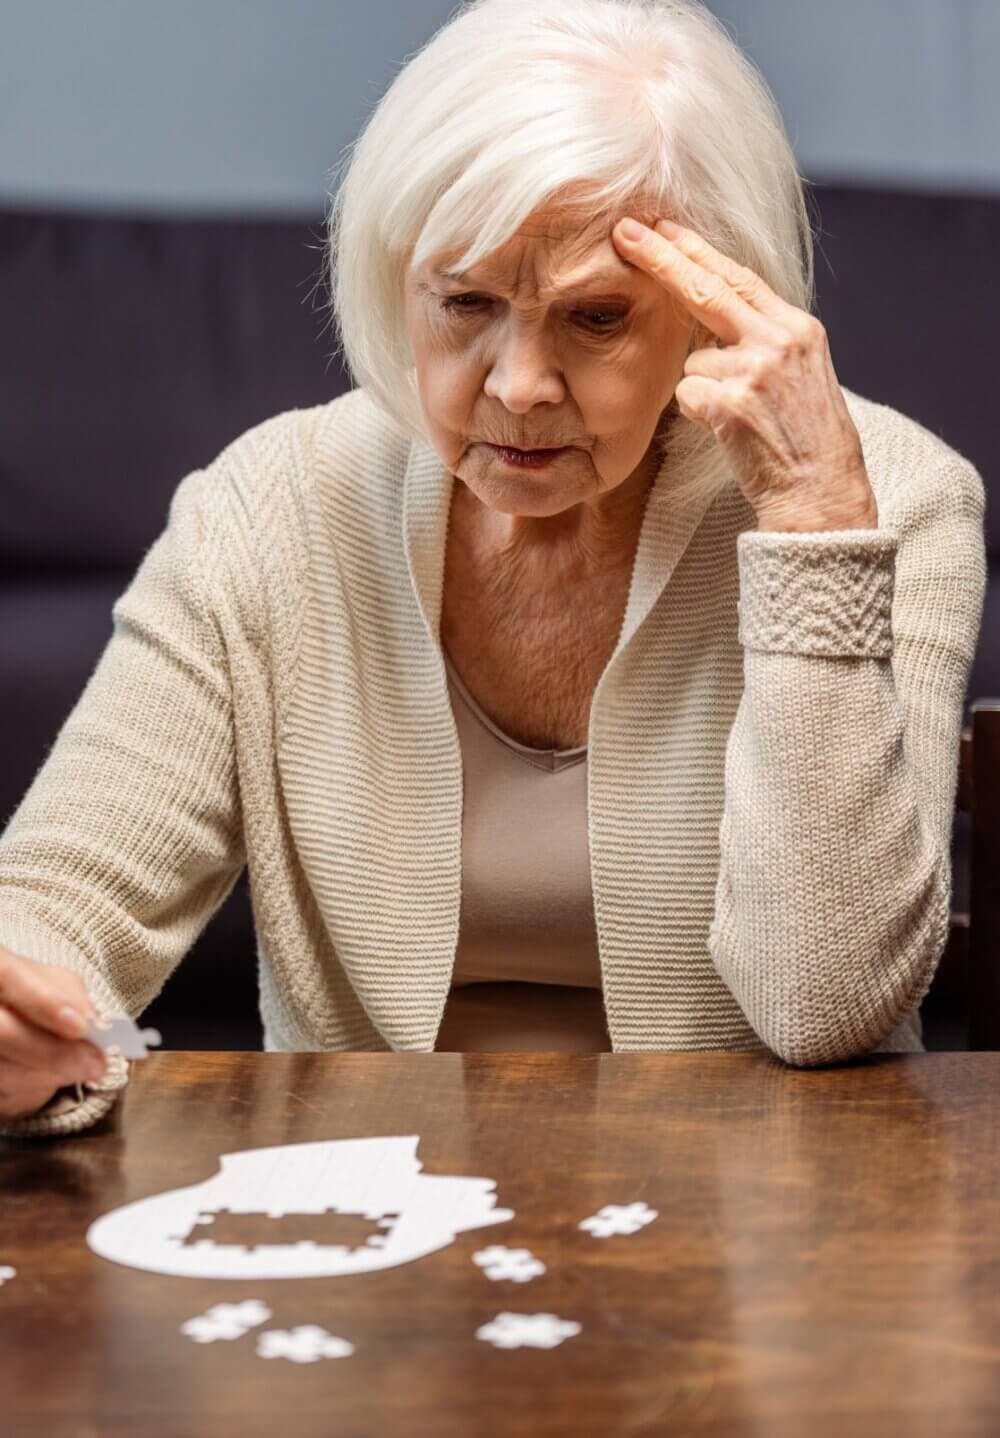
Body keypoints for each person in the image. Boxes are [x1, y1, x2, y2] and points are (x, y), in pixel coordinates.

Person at [0, 0, 986, 1138]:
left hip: (763, 1234)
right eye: (464, 301)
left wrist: (813, 526)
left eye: (598, 316)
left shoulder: (889, 498)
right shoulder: (267, 507)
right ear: (394, 276)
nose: (518, 383)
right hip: (370, 1229)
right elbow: (65, 896)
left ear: (719, 307)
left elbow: (831, 1006)